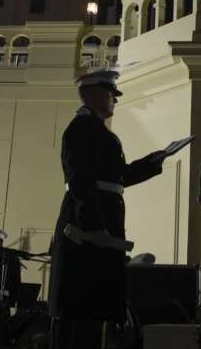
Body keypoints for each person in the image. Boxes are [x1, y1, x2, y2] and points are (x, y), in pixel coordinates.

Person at [48, 67, 167, 348]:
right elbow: (81, 182)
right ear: (91, 94)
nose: (115, 99)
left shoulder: (97, 131)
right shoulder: (80, 130)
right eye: (111, 93)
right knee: (82, 303)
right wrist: (94, 227)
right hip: (88, 224)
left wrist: (154, 161)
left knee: (98, 302)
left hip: (103, 218)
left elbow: (117, 176)